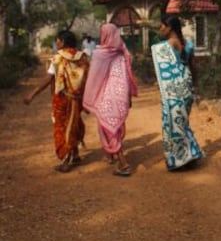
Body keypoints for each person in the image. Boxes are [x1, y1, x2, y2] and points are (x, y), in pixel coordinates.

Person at [24, 30, 90, 173]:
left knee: (62, 128)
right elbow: (88, 79)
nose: (56, 43)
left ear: (63, 42)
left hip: (62, 99)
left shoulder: (58, 59)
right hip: (77, 98)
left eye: (57, 40)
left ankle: (67, 160)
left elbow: (48, 80)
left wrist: (32, 94)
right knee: (74, 123)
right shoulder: (82, 57)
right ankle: (76, 154)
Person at [83, 23, 138, 177]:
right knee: (114, 129)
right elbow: (127, 77)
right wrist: (128, 98)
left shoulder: (100, 54)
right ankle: (110, 155)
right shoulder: (124, 53)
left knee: (109, 130)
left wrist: (88, 98)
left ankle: (124, 164)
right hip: (120, 98)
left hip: (105, 98)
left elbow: (94, 79)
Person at [151, 15, 204, 170]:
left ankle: (180, 160)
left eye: (162, 26)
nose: (160, 29)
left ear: (170, 28)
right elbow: (192, 67)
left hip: (174, 89)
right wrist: (194, 86)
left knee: (173, 123)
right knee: (183, 122)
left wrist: (162, 83)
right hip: (186, 85)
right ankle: (191, 154)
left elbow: (161, 70)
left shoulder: (164, 46)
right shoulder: (187, 43)